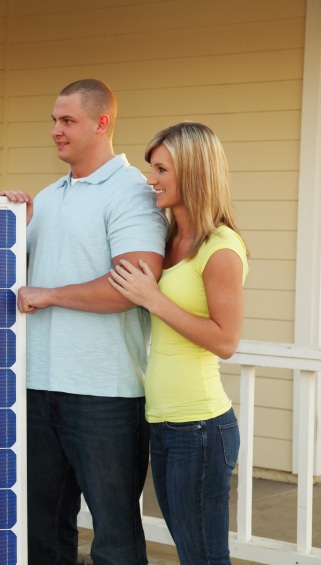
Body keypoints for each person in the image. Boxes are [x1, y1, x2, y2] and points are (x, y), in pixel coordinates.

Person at [0, 79, 167, 564]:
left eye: (67, 120)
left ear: (102, 122)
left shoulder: (132, 193)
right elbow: (23, 283)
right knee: (42, 535)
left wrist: (49, 294)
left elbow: (132, 285)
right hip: (37, 388)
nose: (55, 130)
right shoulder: (49, 196)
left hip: (105, 396)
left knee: (114, 540)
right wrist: (13, 228)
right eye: (53, 120)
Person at [109, 122, 247, 564]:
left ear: (194, 172)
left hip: (201, 428)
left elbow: (226, 341)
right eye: (152, 168)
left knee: (203, 557)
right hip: (163, 422)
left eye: (162, 169)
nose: (151, 180)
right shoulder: (168, 240)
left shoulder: (220, 248)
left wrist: (153, 298)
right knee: (190, 552)